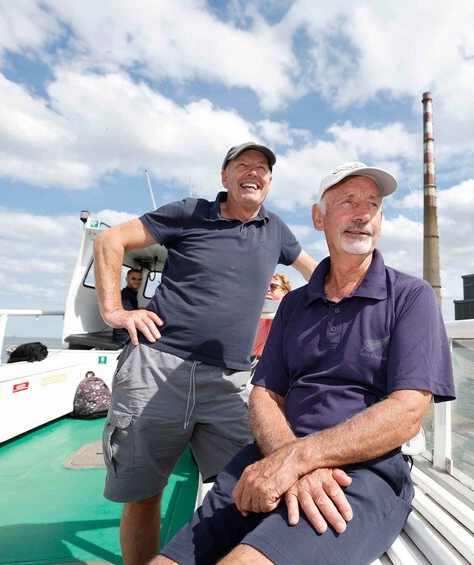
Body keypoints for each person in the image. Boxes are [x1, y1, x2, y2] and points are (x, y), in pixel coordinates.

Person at [152, 162, 456, 565]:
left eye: (372, 204)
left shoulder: (410, 297)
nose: (362, 212)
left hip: (361, 475)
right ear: (319, 217)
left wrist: (300, 460)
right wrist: (289, 457)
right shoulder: (295, 304)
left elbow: (407, 414)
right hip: (270, 457)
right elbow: (265, 393)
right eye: (348, 201)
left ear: (380, 220)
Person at [93, 142, 317, 565]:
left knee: (246, 489)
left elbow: (315, 272)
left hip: (230, 381)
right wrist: (114, 311)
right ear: (225, 177)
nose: (253, 172)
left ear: (270, 181)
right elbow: (111, 239)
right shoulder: (190, 212)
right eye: (243, 165)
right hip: (157, 366)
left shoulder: (276, 230)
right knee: (143, 495)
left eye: (262, 168)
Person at [250, 273, 291, 366]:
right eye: (265, 286)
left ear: (285, 292)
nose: (268, 289)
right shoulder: (253, 311)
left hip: (275, 365)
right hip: (251, 362)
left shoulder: (290, 314)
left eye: (273, 286)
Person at [111, 268, 143, 345]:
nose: (137, 281)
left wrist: (139, 309)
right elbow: (128, 315)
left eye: (139, 279)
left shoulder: (131, 293)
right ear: (127, 279)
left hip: (127, 333)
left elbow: (130, 310)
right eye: (133, 278)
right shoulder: (125, 295)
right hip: (123, 336)